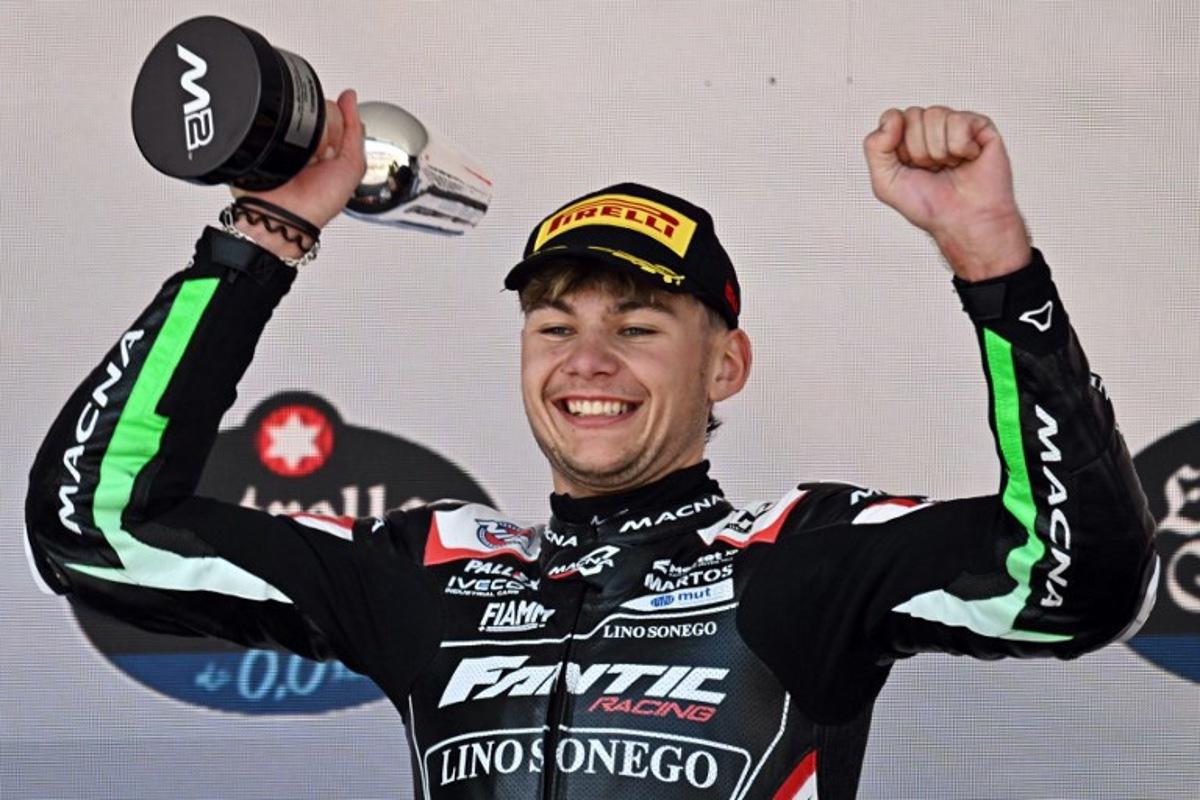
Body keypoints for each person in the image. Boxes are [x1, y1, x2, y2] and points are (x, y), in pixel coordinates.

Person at [25, 91, 1159, 799]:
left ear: (726, 367)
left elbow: (1077, 582)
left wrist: (995, 264)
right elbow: (98, 529)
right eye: (555, 324)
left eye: (639, 325)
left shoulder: (807, 554)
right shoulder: (428, 572)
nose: (587, 359)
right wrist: (262, 237)